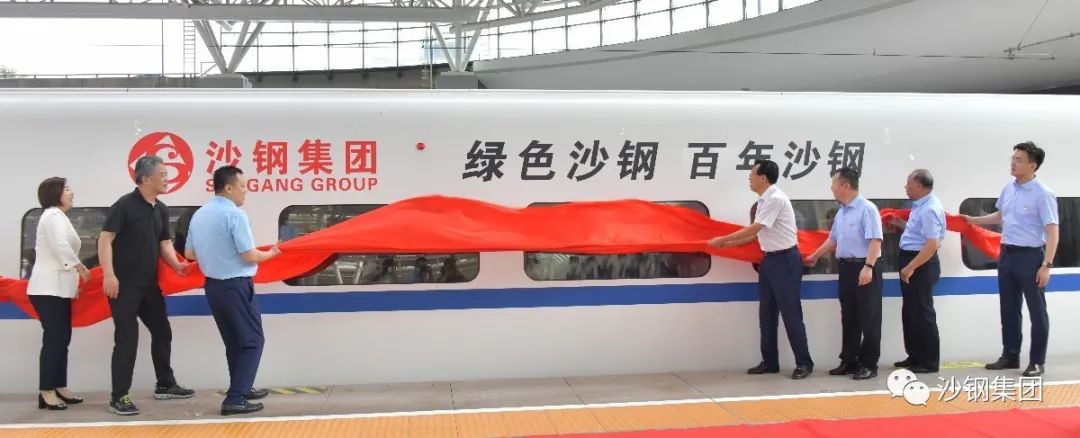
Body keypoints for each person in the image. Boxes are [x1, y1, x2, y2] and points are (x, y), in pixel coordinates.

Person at [99, 155, 194, 416]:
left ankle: (165, 384)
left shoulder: (161, 209)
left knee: (162, 331)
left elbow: (164, 243)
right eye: (162, 174)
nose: (167, 179)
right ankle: (119, 397)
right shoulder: (124, 205)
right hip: (123, 286)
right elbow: (105, 240)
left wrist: (177, 265)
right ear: (145, 179)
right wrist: (109, 275)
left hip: (149, 285)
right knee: (127, 339)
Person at [185, 166, 280, 415]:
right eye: (242, 186)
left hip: (213, 287)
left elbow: (190, 253)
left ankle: (241, 387)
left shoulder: (199, 215)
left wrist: (215, 254)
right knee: (252, 342)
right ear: (228, 188)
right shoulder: (235, 215)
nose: (245, 192)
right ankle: (236, 399)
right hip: (236, 286)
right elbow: (250, 255)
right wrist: (272, 253)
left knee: (234, 342)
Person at [708, 159, 813, 379]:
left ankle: (804, 363)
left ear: (763, 177)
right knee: (766, 313)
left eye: (752, 174)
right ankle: (770, 362)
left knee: (791, 314)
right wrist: (726, 245)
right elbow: (755, 236)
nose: (749, 178)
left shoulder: (775, 198)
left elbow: (754, 228)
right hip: (770, 261)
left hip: (785, 261)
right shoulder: (763, 200)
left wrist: (723, 239)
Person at [962, 142, 1058, 377]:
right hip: (1006, 255)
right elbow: (1001, 215)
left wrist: (1046, 265)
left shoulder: (1043, 194)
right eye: (1012, 159)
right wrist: (973, 220)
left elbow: (1053, 231)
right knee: (1009, 308)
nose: (1013, 163)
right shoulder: (1009, 188)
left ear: (1032, 165)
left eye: (1019, 160)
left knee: (1037, 311)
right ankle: (1010, 356)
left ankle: (1037, 361)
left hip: (1030, 257)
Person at [805, 168, 883, 380]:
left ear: (846, 186)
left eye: (834, 185)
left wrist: (868, 267)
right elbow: (833, 240)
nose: (832, 189)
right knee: (849, 316)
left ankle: (869, 365)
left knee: (869, 318)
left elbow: (876, 240)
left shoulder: (867, 209)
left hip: (865, 267)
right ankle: (849, 361)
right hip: (846, 268)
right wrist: (815, 255)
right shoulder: (842, 212)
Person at [27, 177, 92, 410]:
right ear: (55, 193)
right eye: (67, 189)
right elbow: (60, 245)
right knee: (55, 340)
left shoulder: (59, 216)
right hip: (48, 289)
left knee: (62, 339)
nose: (72, 193)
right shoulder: (52, 215)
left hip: (58, 290)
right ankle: (46, 390)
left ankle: (59, 386)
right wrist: (80, 267)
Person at [893, 169, 944, 373]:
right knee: (910, 311)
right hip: (913, 260)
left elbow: (932, 245)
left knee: (922, 312)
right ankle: (915, 356)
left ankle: (929, 362)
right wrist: (902, 225)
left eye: (908, 184)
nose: (905, 187)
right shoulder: (920, 205)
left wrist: (910, 267)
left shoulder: (930, 209)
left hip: (921, 264)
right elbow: (920, 234)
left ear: (918, 186)